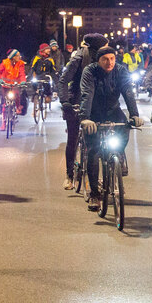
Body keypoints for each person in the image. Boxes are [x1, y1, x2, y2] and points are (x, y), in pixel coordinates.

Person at [79, 46, 145, 211]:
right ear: (98, 60)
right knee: (93, 151)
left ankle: (119, 155)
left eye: (112, 59)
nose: (109, 63)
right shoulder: (90, 71)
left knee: (125, 126)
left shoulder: (120, 70)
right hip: (93, 113)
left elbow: (128, 92)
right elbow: (87, 94)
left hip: (113, 110)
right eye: (105, 59)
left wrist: (134, 115)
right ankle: (95, 194)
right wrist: (85, 118)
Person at [59, 33, 108, 190]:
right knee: (72, 138)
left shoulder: (103, 58)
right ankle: (69, 174)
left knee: (99, 139)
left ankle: (97, 177)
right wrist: (65, 101)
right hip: (76, 100)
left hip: (95, 101)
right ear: (96, 47)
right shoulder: (79, 58)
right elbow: (63, 80)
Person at [0, 48, 28, 127]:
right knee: (4, 102)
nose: (19, 57)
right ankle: (3, 123)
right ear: (12, 57)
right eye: (17, 55)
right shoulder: (5, 63)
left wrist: (23, 81)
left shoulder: (20, 63)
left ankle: (18, 107)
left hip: (15, 84)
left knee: (16, 95)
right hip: (5, 84)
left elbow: (22, 74)